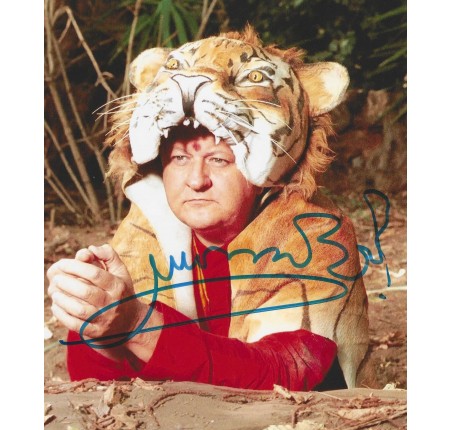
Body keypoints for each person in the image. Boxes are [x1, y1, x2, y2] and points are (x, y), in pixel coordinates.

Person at [47, 29, 371, 390]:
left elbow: (287, 373)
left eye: (218, 160)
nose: (196, 180)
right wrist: (92, 315)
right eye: (179, 158)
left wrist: (136, 325)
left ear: (265, 171)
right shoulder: (146, 225)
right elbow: (97, 383)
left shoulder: (315, 230)